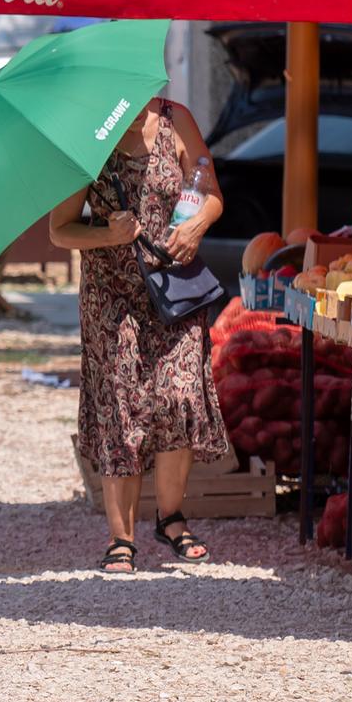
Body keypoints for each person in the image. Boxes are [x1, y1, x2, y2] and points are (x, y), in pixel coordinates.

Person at [48, 96, 228, 574]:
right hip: (113, 294)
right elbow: (60, 231)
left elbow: (211, 193)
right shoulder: (91, 137)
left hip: (175, 286)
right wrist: (108, 234)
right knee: (121, 405)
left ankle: (171, 518)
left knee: (179, 393)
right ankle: (120, 538)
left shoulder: (176, 120)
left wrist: (197, 225)